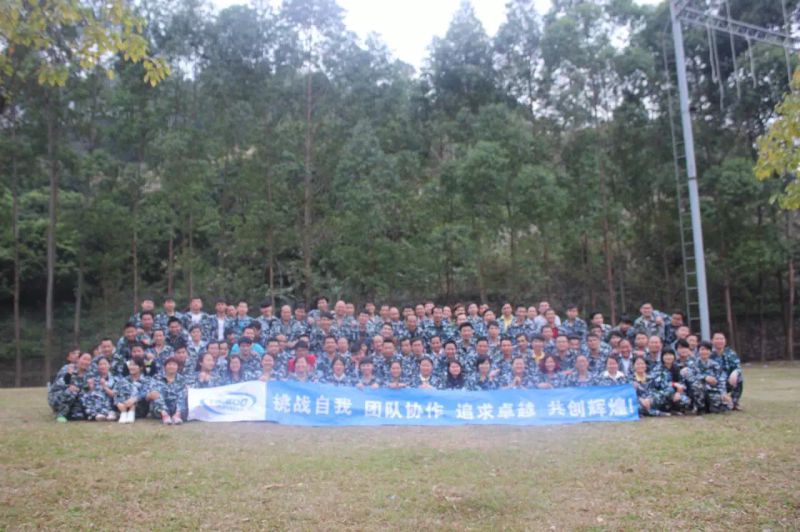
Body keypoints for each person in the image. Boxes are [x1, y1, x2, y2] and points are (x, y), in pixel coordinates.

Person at [50, 352, 93, 422]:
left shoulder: (90, 374)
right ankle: (61, 414)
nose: (86, 362)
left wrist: (91, 388)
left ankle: (73, 413)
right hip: (60, 397)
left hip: (76, 400)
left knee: (78, 417)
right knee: (72, 391)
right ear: (78, 359)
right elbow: (58, 385)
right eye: (84, 359)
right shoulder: (68, 369)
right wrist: (68, 380)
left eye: (88, 360)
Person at [653, 349, 692, 414]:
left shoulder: (676, 368)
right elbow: (658, 384)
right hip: (661, 393)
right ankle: (666, 408)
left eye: (670, 355)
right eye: (666, 355)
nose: (668, 357)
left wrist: (678, 392)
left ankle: (674, 409)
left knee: (686, 402)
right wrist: (674, 384)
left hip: (676, 393)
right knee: (669, 391)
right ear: (662, 357)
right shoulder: (657, 368)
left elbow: (682, 383)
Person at [711, 332, 744, 409]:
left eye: (721, 339)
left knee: (739, 377)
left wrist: (735, 373)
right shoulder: (708, 353)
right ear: (712, 341)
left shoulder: (731, 353)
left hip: (728, 381)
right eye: (717, 339)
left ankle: (735, 402)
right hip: (714, 383)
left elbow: (738, 367)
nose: (719, 341)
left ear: (725, 341)